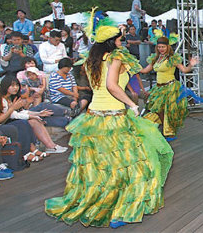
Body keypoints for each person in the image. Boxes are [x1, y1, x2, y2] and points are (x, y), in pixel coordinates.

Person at [44, 14, 173, 228]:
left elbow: (102, 86)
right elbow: (112, 86)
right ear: (112, 42)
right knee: (133, 165)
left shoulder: (90, 60)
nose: (122, 42)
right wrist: (132, 105)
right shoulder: (115, 58)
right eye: (120, 39)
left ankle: (107, 205)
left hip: (94, 118)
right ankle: (123, 209)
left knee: (101, 167)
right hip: (114, 117)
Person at [141, 35, 198, 140]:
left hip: (170, 87)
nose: (161, 49)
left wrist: (191, 65)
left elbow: (184, 70)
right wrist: (132, 66)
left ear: (168, 47)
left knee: (169, 110)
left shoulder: (172, 58)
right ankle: (165, 127)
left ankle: (169, 132)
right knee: (157, 109)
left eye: (163, 47)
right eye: (159, 47)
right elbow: (145, 70)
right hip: (158, 88)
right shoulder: (155, 58)